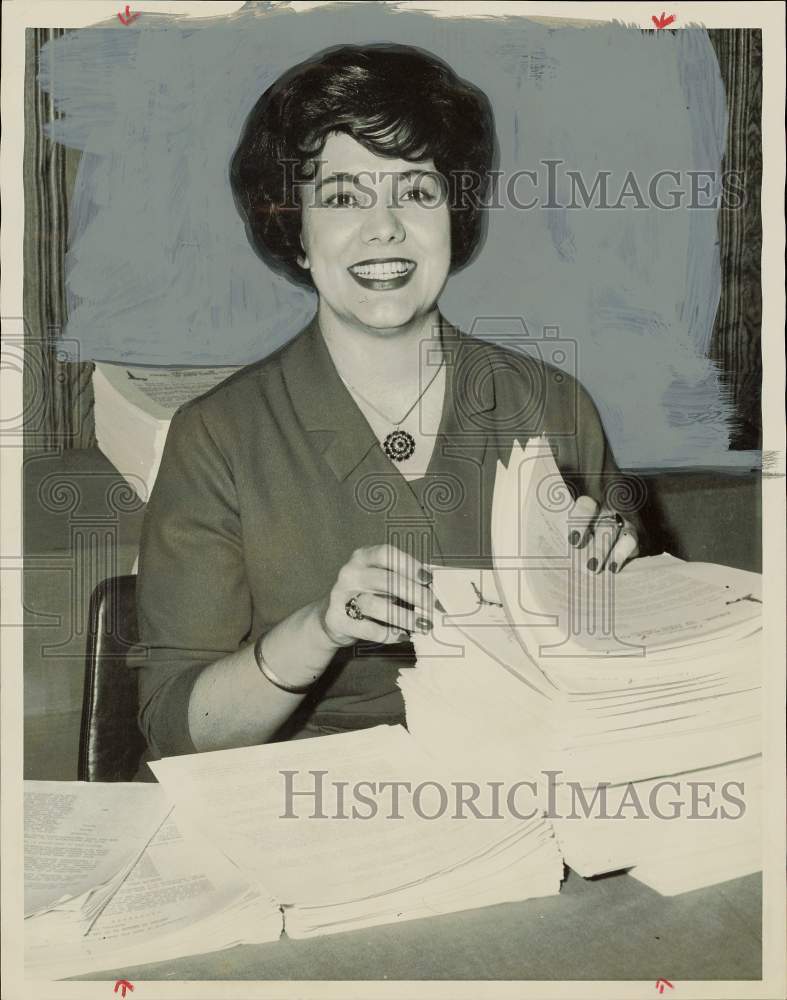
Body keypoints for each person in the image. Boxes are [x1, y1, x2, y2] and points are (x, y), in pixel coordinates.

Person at [134, 43, 646, 769]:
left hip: (529, 782)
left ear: (453, 214)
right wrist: (317, 630)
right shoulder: (216, 435)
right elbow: (176, 732)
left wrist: (619, 594)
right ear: (297, 232)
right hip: (306, 800)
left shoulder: (552, 405)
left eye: (415, 191)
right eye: (342, 197)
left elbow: (631, 675)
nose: (384, 228)